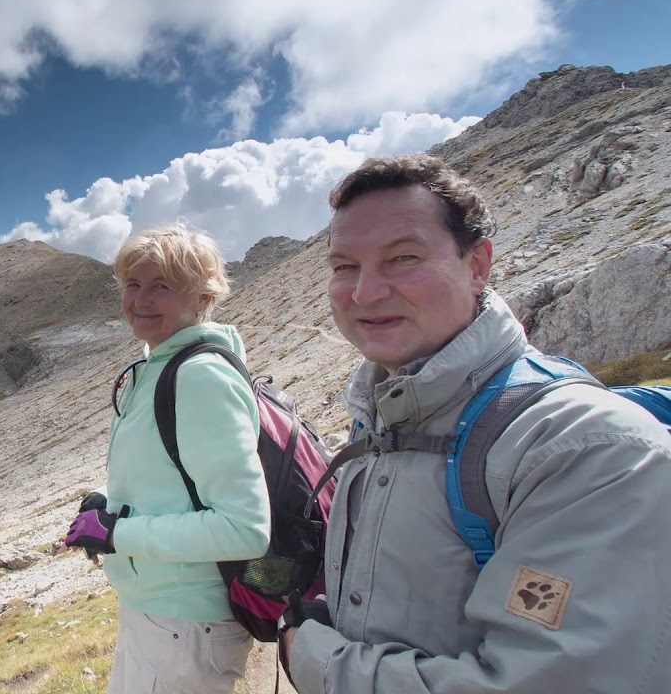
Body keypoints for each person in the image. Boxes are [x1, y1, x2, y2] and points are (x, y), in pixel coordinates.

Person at [279, 154, 671, 692]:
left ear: (478, 265)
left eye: (403, 258)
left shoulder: (586, 447)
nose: (365, 292)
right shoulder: (380, 417)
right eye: (344, 267)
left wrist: (314, 658)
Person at [62, 222, 271, 694]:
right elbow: (171, 477)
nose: (140, 300)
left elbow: (245, 529)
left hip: (185, 625)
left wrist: (116, 534)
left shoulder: (199, 377)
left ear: (202, 297)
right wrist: (108, 503)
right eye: (132, 284)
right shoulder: (158, 366)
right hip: (158, 612)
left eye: (162, 286)